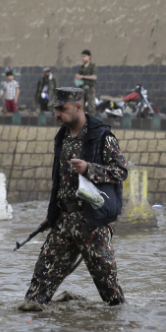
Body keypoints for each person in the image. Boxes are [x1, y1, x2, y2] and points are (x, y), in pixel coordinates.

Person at [24, 87, 127, 306]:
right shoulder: (61, 137)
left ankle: (115, 329)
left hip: (92, 223)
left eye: (62, 109)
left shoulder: (101, 136)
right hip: (63, 222)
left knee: (110, 294)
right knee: (38, 287)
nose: (57, 114)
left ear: (78, 107)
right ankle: (32, 329)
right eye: (56, 109)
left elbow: (120, 171)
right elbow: (59, 182)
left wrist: (90, 168)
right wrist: (52, 214)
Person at [76, 50, 97, 114]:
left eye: (84, 56)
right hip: (82, 88)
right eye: (82, 56)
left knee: (91, 107)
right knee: (81, 106)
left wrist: (83, 76)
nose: (83, 58)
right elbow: (78, 75)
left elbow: (94, 77)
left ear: (89, 57)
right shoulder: (82, 67)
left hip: (90, 88)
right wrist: (77, 76)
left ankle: (92, 121)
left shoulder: (92, 66)